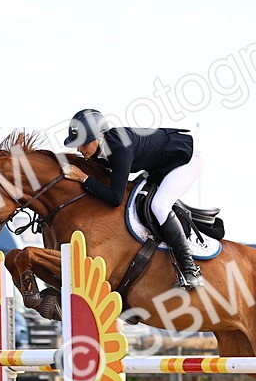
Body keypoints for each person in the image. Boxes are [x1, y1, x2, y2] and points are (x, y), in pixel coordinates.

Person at [60, 109, 205, 290]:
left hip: (187, 158)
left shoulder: (119, 147)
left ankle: (191, 270)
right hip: (161, 164)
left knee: (159, 205)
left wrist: (83, 178)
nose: (79, 149)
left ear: (99, 137)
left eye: (83, 144)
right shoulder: (103, 150)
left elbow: (115, 198)